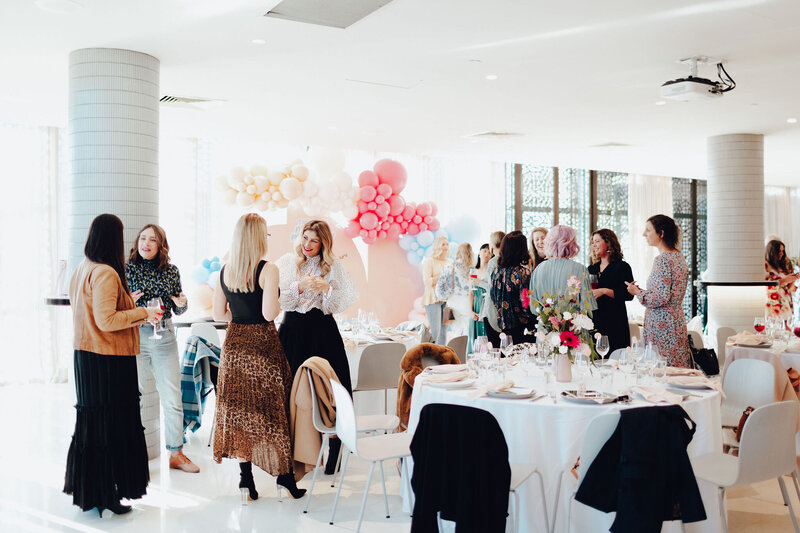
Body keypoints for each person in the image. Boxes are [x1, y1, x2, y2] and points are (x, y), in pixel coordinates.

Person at [64, 214, 159, 516]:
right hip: (108, 360)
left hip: (87, 356)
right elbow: (106, 321)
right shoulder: (105, 272)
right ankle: (107, 494)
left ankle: (96, 491)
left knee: (94, 427)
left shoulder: (83, 268)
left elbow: (92, 312)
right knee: (112, 426)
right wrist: (143, 312)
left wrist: (129, 304)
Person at [212, 213, 305, 502]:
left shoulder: (225, 271)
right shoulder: (268, 269)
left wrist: (238, 315)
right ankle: (285, 477)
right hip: (262, 345)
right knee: (274, 410)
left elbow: (218, 315)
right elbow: (269, 313)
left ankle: (246, 481)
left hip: (234, 346)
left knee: (241, 412)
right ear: (257, 238)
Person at [276, 219, 357, 475]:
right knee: (288, 389)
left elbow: (342, 300)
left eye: (314, 240)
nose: (308, 244)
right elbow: (280, 299)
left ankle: (335, 448)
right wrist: (298, 286)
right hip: (292, 331)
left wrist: (328, 288)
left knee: (333, 389)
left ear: (323, 243)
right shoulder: (287, 262)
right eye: (305, 238)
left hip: (324, 331)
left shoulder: (333, 266)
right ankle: (290, 454)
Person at [125, 224, 199, 473]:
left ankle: (176, 453)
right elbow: (117, 309)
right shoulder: (127, 269)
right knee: (132, 397)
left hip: (164, 334)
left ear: (160, 246)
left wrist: (183, 303)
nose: (145, 243)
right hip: (135, 334)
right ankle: (132, 454)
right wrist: (128, 303)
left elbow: (178, 309)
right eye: (142, 238)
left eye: (152, 240)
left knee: (172, 397)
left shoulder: (171, 271)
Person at [626, 214, 691, 368]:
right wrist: (643, 292)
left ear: (661, 233)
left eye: (648, 230)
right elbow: (666, 293)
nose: (644, 234)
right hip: (676, 321)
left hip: (662, 325)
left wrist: (636, 292)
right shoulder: (679, 257)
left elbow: (660, 298)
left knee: (660, 370)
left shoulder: (662, 260)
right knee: (676, 368)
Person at [530, 225, 597, 314]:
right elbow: (588, 306)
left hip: (545, 322)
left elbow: (534, 308)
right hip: (573, 322)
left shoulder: (538, 269)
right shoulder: (580, 269)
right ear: (571, 244)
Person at [588, 229, 635, 354]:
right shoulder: (591, 269)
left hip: (615, 322)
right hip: (595, 321)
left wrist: (605, 291)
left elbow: (629, 295)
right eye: (593, 242)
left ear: (608, 243)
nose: (594, 245)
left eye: (597, 241)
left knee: (616, 358)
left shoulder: (622, 267)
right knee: (596, 359)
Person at [491, 231, 536, 343]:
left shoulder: (496, 272)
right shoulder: (522, 273)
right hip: (522, 327)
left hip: (503, 326)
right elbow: (525, 303)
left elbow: (493, 298)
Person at [435, 242, 474, 340]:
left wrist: (447, 293)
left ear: (458, 252)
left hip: (453, 304)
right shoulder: (473, 269)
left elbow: (438, 291)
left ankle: (457, 349)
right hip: (469, 304)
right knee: (469, 335)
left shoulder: (449, 267)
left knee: (456, 335)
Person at [422, 236, 452, 345]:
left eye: (447, 244)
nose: (446, 246)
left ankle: (441, 354)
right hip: (433, 299)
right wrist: (442, 275)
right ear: (438, 246)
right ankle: (432, 354)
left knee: (444, 331)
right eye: (443, 244)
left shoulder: (450, 261)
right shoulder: (429, 261)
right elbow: (427, 282)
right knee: (436, 331)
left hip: (448, 300)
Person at [478, 231, 506, 348]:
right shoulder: (508, 259)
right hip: (504, 310)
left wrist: (479, 282)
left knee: (495, 348)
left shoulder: (494, 262)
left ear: (493, 243)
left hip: (492, 310)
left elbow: (491, 286)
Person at [765, 239, 799, 324]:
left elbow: (788, 289)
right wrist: (784, 280)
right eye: (779, 251)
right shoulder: (766, 266)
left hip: (784, 301)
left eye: (782, 251)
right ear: (772, 252)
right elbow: (765, 286)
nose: (782, 253)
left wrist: (793, 279)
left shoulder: (781, 266)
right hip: (773, 302)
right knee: (774, 327)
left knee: (786, 328)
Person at [468, 243, 491, 353]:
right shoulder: (473, 272)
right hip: (476, 306)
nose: (486, 254)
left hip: (486, 306)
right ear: (479, 253)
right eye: (484, 251)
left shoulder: (490, 272)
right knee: (475, 340)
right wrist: (471, 311)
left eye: (489, 252)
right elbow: (471, 293)